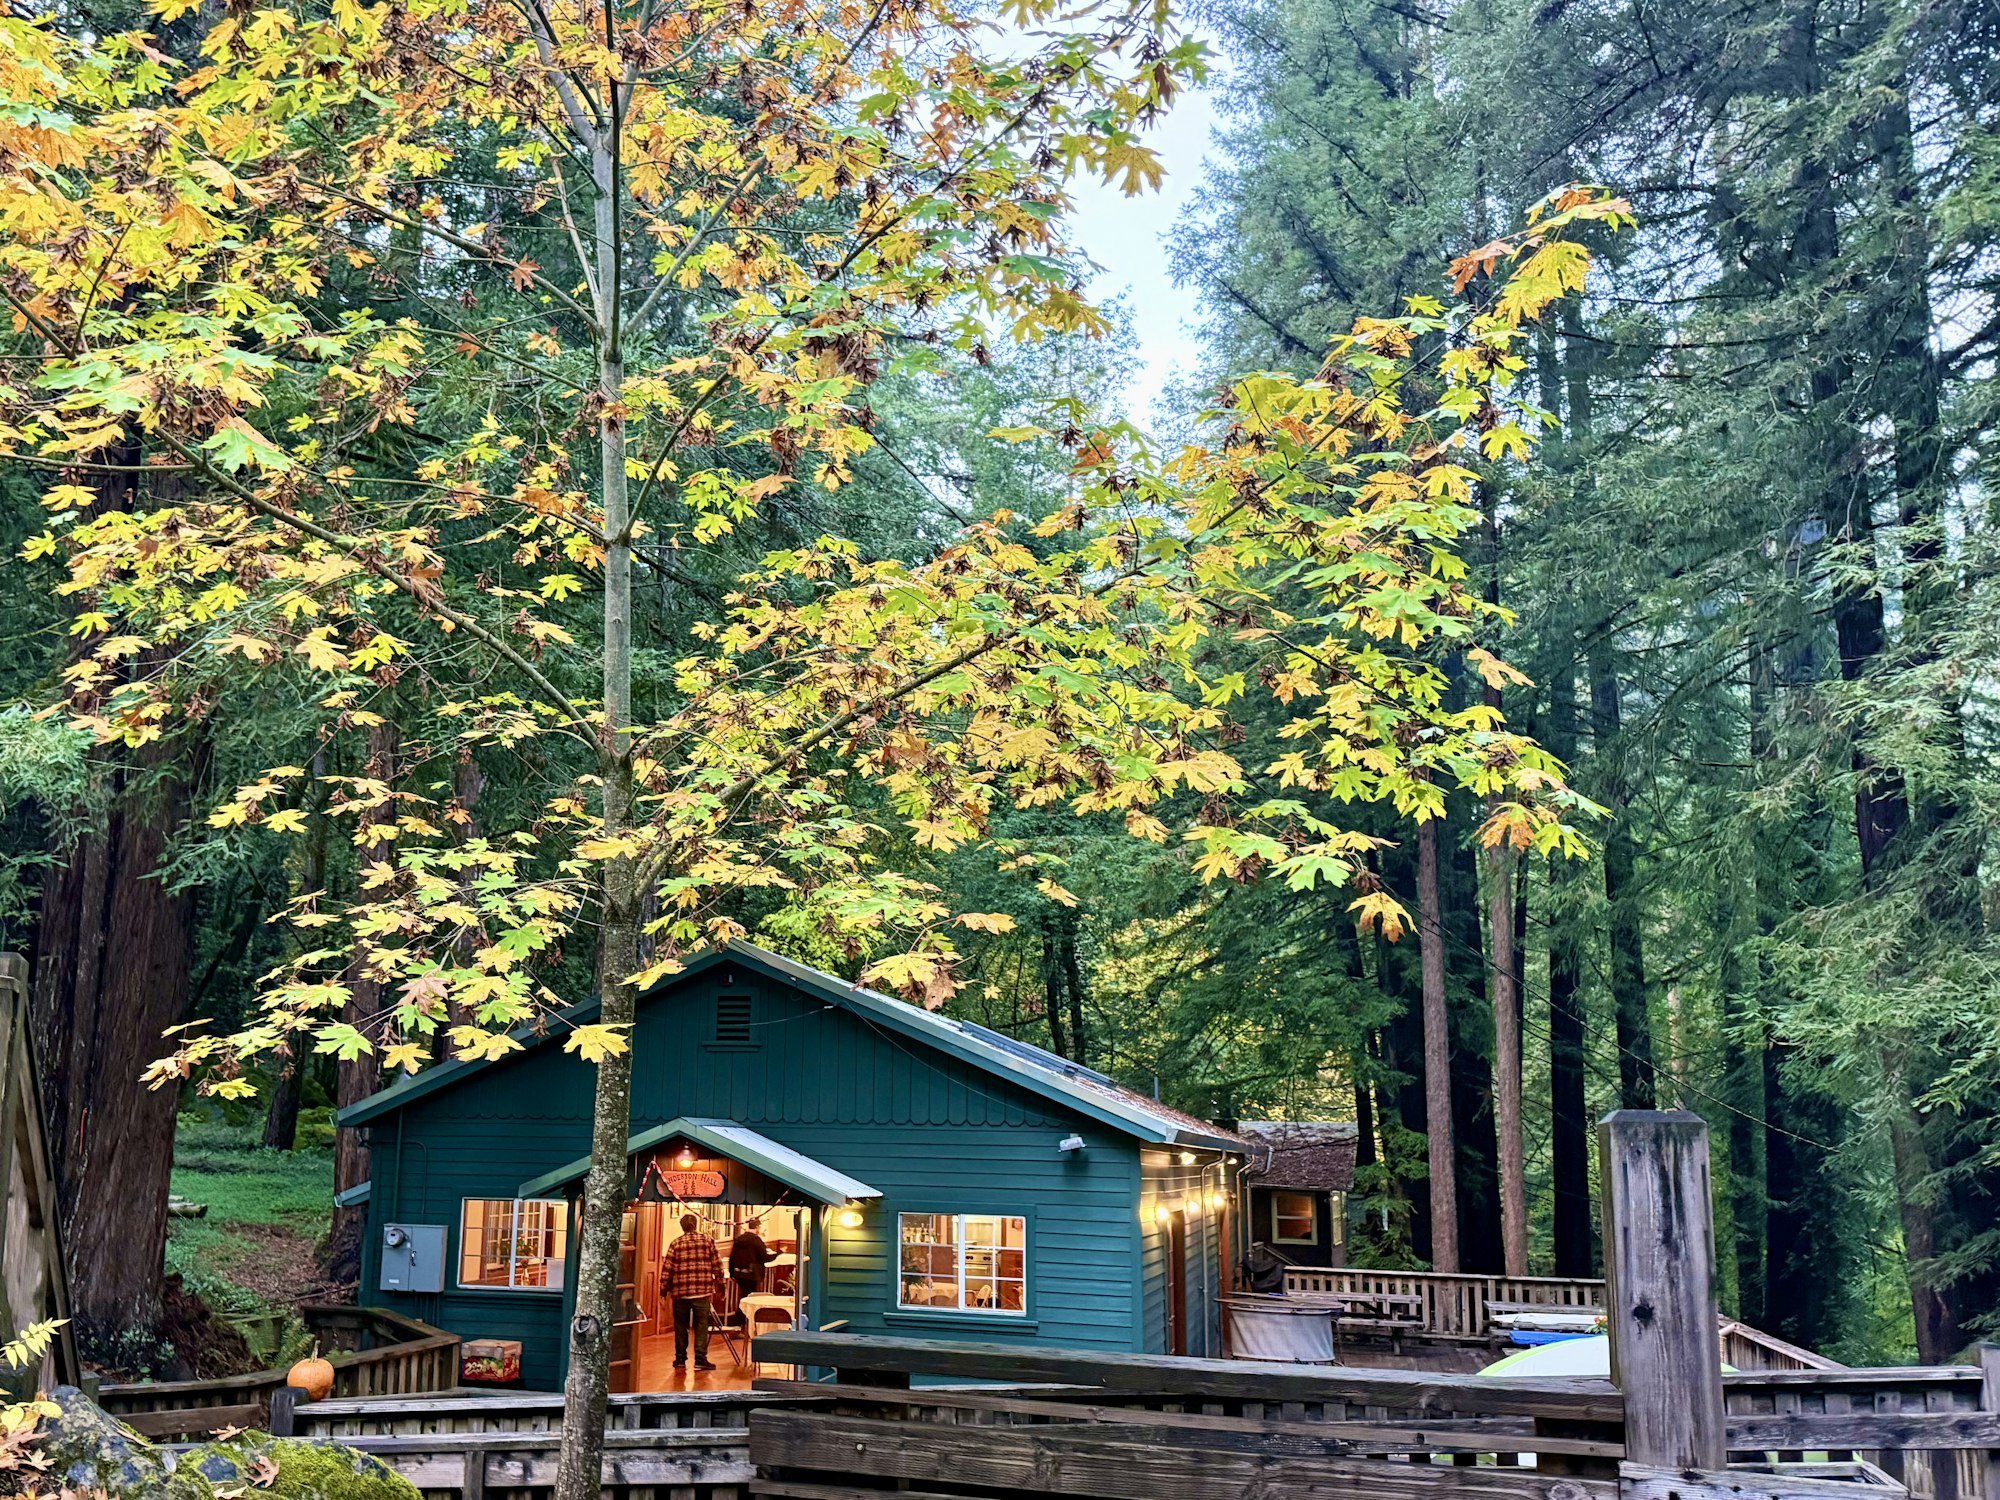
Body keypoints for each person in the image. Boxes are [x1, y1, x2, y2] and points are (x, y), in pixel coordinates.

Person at [662, 1213, 723, 1371]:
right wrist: (721, 1285)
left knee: (680, 1326)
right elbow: (717, 1265)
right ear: (696, 1225)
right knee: (701, 1325)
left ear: (682, 1227)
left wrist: (663, 1291)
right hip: (702, 1291)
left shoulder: (675, 1243)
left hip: (680, 1292)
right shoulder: (707, 1241)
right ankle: (700, 1359)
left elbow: (667, 1269)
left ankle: (680, 1359)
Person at [728, 1216, 775, 1299]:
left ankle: (742, 1307)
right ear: (757, 1227)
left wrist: (731, 1273)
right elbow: (765, 1258)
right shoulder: (756, 1241)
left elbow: (732, 1257)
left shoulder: (738, 1239)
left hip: (739, 1274)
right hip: (753, 1274)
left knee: (744, 1295)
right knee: (751, 1297)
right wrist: (778, 1253)